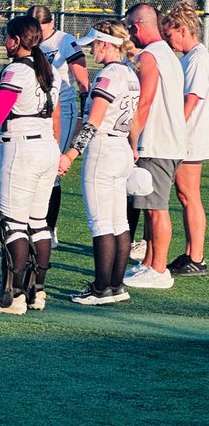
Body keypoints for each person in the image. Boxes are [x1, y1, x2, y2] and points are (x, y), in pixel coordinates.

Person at [0, 14, 62, 314]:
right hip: (47, 146)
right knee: (38, 222)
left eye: (8, 37)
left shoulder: (15, 72)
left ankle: (11, 297)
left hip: (21, 150)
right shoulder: (51, 70)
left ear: (16, 39)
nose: (5, 43)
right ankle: (38, 292)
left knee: (12, 224)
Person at [57, 22, 139, 305]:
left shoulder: (108, 76)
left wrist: (70, 153)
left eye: (94, 44)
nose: (91, 50)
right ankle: (116, 286)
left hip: (104, 149)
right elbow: (136, 119)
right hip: (122, 147)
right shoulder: (130, 74)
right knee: (119, 221)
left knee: (101, 222)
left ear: (105, 44)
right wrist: (134, 148)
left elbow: (93, 121)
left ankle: (101, 288)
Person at [121, 3, 188, 288]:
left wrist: (132, 139)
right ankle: (149, 262)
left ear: (137, 26)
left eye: (129, 28)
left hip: (157, 143)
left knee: (157, 208)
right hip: (165, 141)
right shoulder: (167, 54)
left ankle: (159, 270)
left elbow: (144, 101)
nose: (129, 33)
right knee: (149, 206)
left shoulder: (150, 56)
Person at [29, 5, 90, 243]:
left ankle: (49, 227)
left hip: (62, 108)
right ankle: (32, 222)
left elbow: (83, 79)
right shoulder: (31, 41)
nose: (36, 32)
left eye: (40, 27)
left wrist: (86, 107)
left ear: (51, 23)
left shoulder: (64, 40)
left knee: (53, 168)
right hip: (36, 108)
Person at [162, 0, 208, 276]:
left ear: (182, 29)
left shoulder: (198, 58)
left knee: (190, 195)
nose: (169, 41)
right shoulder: (190, 57)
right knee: (184, 194)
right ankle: (191, 253)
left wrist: (173, 129)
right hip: (188, 135)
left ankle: (198, 257)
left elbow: (191, 100)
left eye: (169, 35)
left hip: (191, 137)